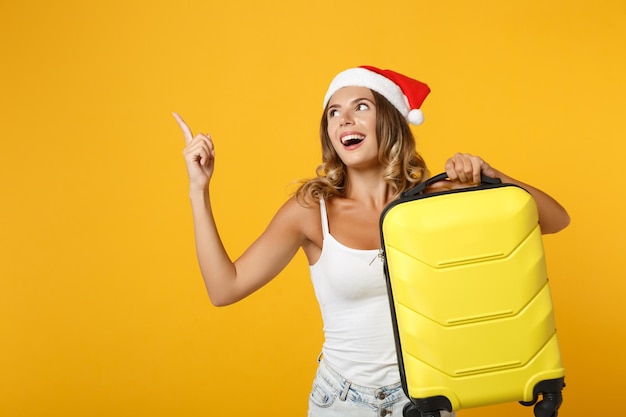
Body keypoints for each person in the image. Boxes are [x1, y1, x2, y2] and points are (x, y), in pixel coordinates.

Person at [173, 65, 570, 417]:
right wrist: (199, 190)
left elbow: (554, 219)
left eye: (361, 107)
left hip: (427, 400)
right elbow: (225, 288)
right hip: (340, 402)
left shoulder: (435, 201)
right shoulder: (313, 211)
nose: (345, 119)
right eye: (334, 113)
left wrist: (491, 176)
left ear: (392, 121)